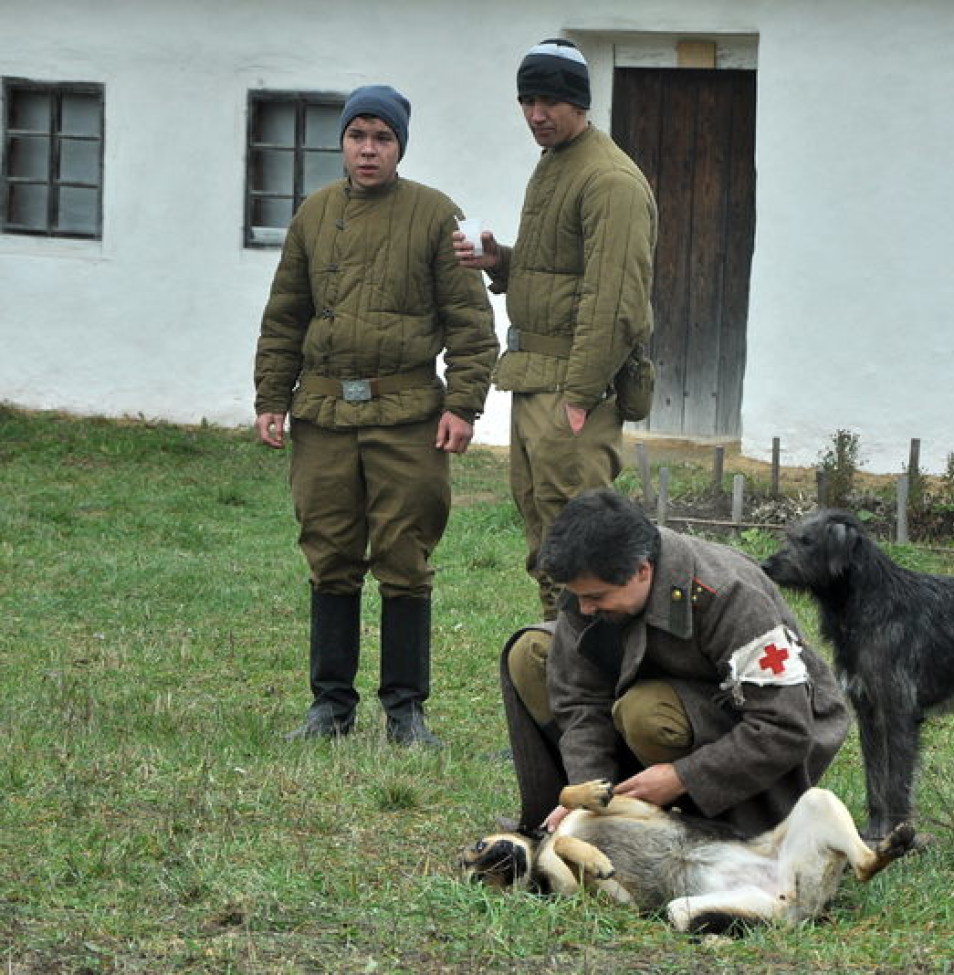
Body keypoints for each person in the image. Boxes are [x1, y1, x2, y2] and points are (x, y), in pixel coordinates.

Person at [254, 84, 498, 747]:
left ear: (399, 147)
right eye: (358, 135)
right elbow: (285, 317)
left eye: (382, 138)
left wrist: (462, 405)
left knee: (404, 555)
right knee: (329, 553)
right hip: (324, 413)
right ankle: (329, 706)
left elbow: (472, 325)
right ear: (342, 142)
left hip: (408, 416)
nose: (368, 149)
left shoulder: (433, 215)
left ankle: (405, 712)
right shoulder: (314, 215)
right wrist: (272, 396)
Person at [499, 488, 851, 837]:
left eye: (596, 597)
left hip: (764, 730)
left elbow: (785, 728)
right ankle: (621, 809)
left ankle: (695, 822)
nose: (585, 608)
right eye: (580, 597)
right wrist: (591, 794)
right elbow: (580, 698)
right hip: (667, 703)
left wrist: (684, 777)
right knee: (531, 653)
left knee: (646, 713)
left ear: (641, 569)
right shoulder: (592, 583)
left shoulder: (732, 596)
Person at [454, 38, 658, 620]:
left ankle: (594, 676)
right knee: (547, 536)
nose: (536, 114)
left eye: (548, 101)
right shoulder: (557, 165)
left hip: (570, 387)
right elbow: (564, 275)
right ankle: (561, 660)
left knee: (583, 541)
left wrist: (579, 397)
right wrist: (503, 263)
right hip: (536, 379)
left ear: (579, 102)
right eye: (527, 101)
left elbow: (614, 301)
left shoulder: (608, 180)